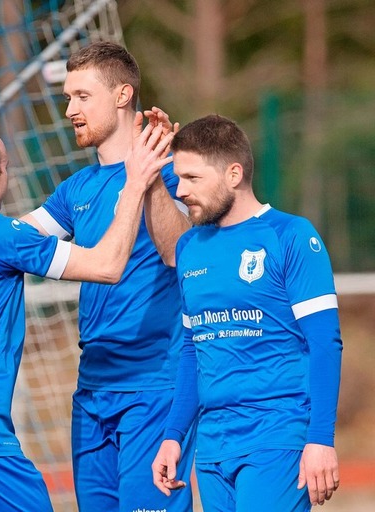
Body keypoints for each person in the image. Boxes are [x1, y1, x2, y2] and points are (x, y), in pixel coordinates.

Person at [0, 41, 196, 512]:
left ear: (122, 96)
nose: (70, 109)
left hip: (154, 382)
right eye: (68, 98)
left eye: (81, 96)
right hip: (93, 391)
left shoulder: (172, 171)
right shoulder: (74, 189)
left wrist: (149, 178)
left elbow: (180, 254)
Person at [151, 114, 343, 511]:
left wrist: (321, 438)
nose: (181, 190)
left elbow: (326, 343)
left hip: (276, 436)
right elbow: (193, 349)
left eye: (192, 178)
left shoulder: (289, 235)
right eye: (178, 178)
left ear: (234, 173)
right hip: (213, 445)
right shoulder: (189, 248)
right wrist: (174, 435)